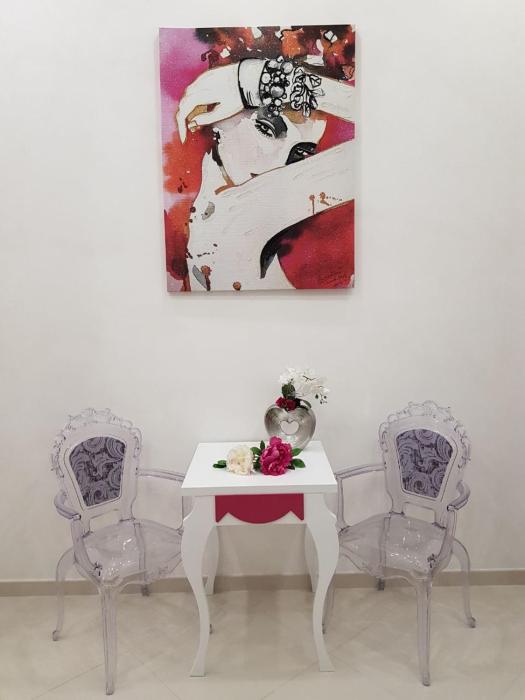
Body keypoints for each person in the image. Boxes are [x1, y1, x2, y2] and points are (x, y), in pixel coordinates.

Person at [162, 26, 356, 292]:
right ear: (216, 113)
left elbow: (388, 144)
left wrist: (256, 81)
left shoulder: (239, 212)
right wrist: (261, 82)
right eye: (267, 129)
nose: (281, 163)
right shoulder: (230, 214)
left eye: (301, 154)